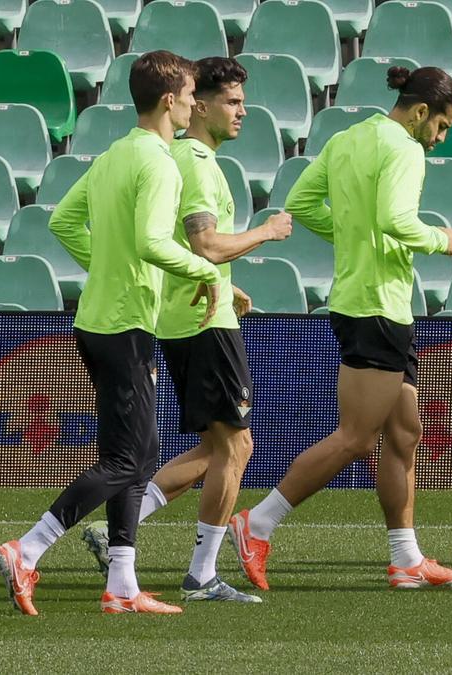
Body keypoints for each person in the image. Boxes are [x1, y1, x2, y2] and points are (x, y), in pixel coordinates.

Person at [0, 51, 222, 615]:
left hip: (97, 320)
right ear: (170, 100)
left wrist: (106, 266)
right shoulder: (162, 163)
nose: (195, 103)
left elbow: (62, 220)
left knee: (135, 453)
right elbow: (151, 242)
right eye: (192, 94)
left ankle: (122, 584)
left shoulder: (115, 152)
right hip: (124, 324)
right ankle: (28, 547)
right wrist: (205, 269)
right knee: (130, 457)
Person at [227, 66, 452, 590]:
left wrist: (350, 233)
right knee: (357, 438)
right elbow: (396, 220)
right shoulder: (405, 149)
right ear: (422, 111)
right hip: (377, 308)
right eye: (442, 126)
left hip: (366, 304)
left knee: (406, 432)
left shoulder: (348, 137)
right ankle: (257, 522)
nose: (440, 138)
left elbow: (300, 205)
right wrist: (441, 239)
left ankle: (406, 560)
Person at [79, 57, 294, 603]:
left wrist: (227, 283)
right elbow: (204, 246)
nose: (243, 112)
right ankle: (200, 573)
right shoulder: (195, 161)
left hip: (183, 316)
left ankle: (122, 531)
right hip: (203, 322)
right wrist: (266, 232)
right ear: (196, 104)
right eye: (232, 101)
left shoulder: (174, 156)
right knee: (235, 446)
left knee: (212, 447)